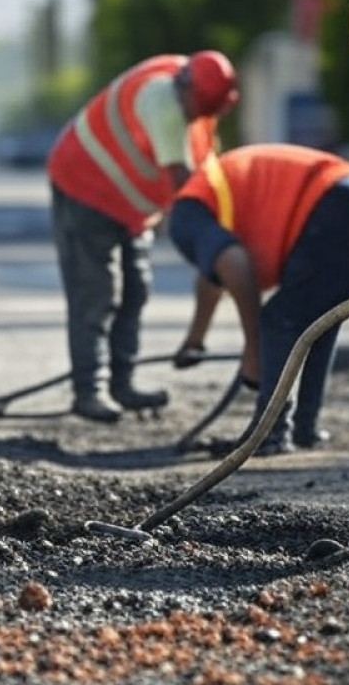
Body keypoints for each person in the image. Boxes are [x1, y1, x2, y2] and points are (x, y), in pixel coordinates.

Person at [167, 143, 349, 455]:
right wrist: (194, 340)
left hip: (336, 201)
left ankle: (271, 434)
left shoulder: (185, 213)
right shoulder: (216, 193)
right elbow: (213, 274)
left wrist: (253, 351)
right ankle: (304, 429)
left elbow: (232, 263)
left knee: (278, 320)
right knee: (321, 321)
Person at [47, 50, 239, 423]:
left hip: (130, 209)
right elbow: (184, 184)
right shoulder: (163, 101)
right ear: (185, 90)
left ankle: (123, 384)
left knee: (136, 290)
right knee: (97, 293)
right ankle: (90, 391)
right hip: (84, 188)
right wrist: (221, 245)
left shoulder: (194, 89)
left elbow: (206, 167)